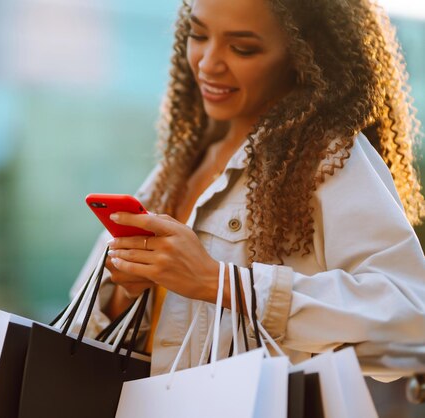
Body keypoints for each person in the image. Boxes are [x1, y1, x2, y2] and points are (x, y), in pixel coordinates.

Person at [71, 0, 425, 376]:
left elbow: (410, 322)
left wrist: (221, 283)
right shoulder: (175, 170)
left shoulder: (325, 157)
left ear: (303, 55)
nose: (208, 63)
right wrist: (127, 291)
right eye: (198, 35)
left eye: (242, 48)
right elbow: (80, 326)